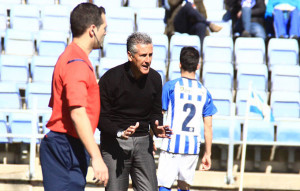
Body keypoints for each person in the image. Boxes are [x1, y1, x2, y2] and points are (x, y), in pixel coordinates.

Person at [39, 3, 108, 191]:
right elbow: (77, 113)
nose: (105, 33)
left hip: (68, 145)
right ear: (92, 30)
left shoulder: (74, 57)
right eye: (104, 28)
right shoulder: (76, 62)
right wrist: (96, 156)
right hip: (65, 145)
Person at [98, 32, 172, 191]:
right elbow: (101, 117)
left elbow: (155, 112)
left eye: (150, 55)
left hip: (143, 143)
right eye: (143, 55)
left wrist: (156, 127)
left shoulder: (155, 78)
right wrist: (119, 132)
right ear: (130, 56)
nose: (148, 60)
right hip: (115, 145)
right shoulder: (110, 79)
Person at [157, 46, 217, 191]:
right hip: (191, 148)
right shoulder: (204, 92)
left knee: (164, 185)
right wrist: (207, 154)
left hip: (171, 146)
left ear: (179, 64)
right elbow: (208, 127)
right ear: (197, 66)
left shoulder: (171, 87)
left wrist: (152, 138)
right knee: (184, 187)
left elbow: (159, 115)